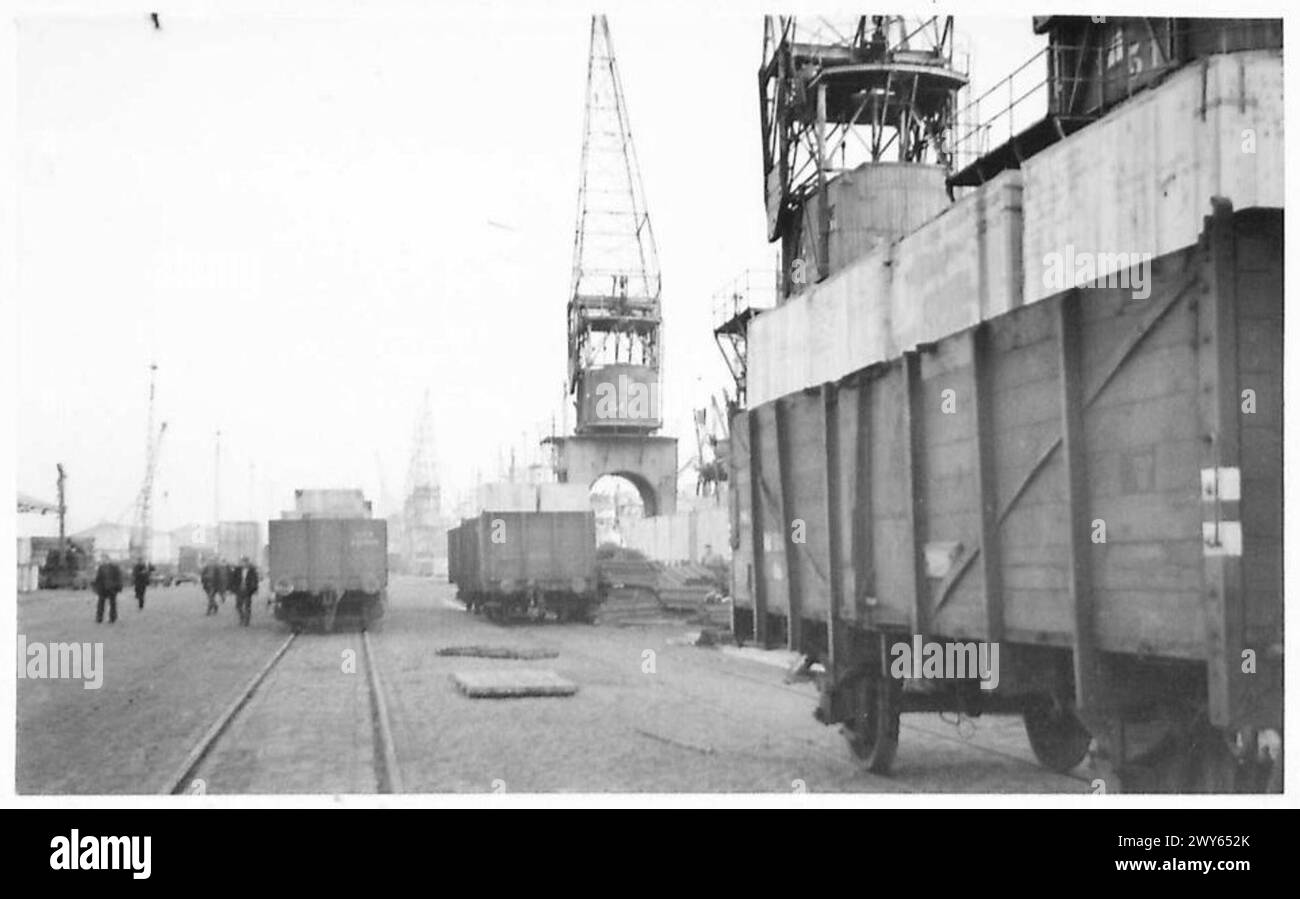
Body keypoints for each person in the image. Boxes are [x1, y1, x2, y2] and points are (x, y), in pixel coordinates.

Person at [93, 556, 124, 624]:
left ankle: (112, 618)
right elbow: (98, 578)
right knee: (101, 603)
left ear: (108, 559)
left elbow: (118, 577)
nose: (103, 560)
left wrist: (118, 586)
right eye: (102, 559)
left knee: (112, 604)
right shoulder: (101, 568)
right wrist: (96, 587)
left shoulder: (114, 567)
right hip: (103, 588)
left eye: (104, 559)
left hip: (112, 588)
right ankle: (99, 618)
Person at [232, 556, 259, 626]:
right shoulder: (237, 570)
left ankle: (247, 621)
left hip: (248, 590)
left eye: (246, 562)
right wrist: (233, 588)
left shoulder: (252, 570)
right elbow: (233, 579)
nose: (244, 563)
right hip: (239, 590)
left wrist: (255, 589)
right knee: (238, 606)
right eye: (243, 562)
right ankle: (242, 617)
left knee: (247, 606)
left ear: (248, 562)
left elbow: (256, 580)